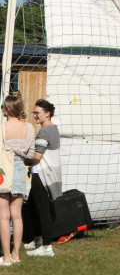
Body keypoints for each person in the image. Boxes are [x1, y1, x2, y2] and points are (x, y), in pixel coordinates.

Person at [0, 96, 35, 266]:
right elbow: (30, 154)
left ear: (7, 109)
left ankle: (6, 257)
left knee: (3, 216)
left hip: (3, 171)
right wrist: (18, 152)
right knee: (17, 216)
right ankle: (16, 255)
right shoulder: (29, 128)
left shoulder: (2, 128)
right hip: (20, 170)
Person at [24, 100, 60, 258]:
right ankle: (38, 239)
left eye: (37, 112)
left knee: (43, 211)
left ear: (47, 113)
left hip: (42, 175)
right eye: (34, 112)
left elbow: (37, 156)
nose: (34, 115)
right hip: (47, 174)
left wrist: (24, 158)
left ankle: (46, 247)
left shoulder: (44, 131)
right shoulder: (54, 129)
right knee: (32, 206)